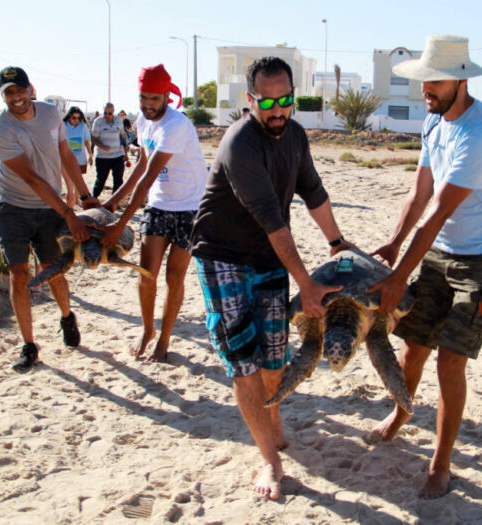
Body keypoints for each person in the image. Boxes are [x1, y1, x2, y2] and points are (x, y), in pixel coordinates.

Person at [189, 56, 354, 500]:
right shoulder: (241, 143)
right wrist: (307, 283)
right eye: (269, 102)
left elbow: (314, 193)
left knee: (275, 361)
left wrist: (337, 241)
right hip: (222, 256)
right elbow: (272, 219)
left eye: (286, 100)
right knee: (245, 366)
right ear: (250, 100)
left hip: (267, 256)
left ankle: (273, 418)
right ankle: (270, 461)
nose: (278, 110)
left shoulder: (295, 136)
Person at [365, 35, 482, 498]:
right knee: (413, 348)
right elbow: (418, 195)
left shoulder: (481, 131)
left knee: (450, 362)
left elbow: (439, 212)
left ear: (462, 81)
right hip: (440, 253)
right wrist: (392, 245)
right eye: (423, 79)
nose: (426, 88)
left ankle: (441, 463)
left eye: (436, 80)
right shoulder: (434, 124)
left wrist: (397, 279)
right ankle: (402, 411)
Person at [0, 66, 102, 372]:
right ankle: (29, 344)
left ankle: (67, 317)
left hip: (48, 209)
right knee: (19, 274)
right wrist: (69, 213)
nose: (16, 97)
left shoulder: (51, 115)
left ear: (31, 89)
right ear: (3, 96)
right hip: (12, 206)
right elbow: (32, 178)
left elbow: (65, 154)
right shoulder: (1, 129)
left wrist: (84, 194)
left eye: (20, 90)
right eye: (9, 93)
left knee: (53, 270)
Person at [101, 64, 205, 363]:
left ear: (166, 97)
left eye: (155, 99)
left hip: (190, 209)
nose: (148, 104)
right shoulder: (142, 122)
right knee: (146, 275)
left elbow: (149, 177)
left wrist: (120, 224)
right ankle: (147, 330)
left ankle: (164, 339)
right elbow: (140, 167)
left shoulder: (176, 125)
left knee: (175, 278)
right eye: (143, 97)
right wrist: (112, 201)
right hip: (158, 207)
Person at [91, 102, 127, 198]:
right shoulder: (98, 122)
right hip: (103, 157)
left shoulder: (119, 121)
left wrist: (126, 152)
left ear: (113, 112)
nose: (107, 115)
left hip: (118, 156)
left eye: (109, 113)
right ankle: (94, 199)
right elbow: (94, 139)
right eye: (105, 113)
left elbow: (123, 136)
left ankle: (115, 200)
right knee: (101, 180)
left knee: (118, 180)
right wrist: (102, 146)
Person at [62, 107, 93, 208]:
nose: (76, 120)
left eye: (78, 118)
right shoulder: (63, 125)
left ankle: (77, 201)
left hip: (80, 157)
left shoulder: (83, 126)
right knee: (69, 183)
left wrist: (90, 155)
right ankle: (71, 204)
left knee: (78, 180)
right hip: (66, 158)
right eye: (73, 118)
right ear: (69, 117)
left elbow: (87, 141)